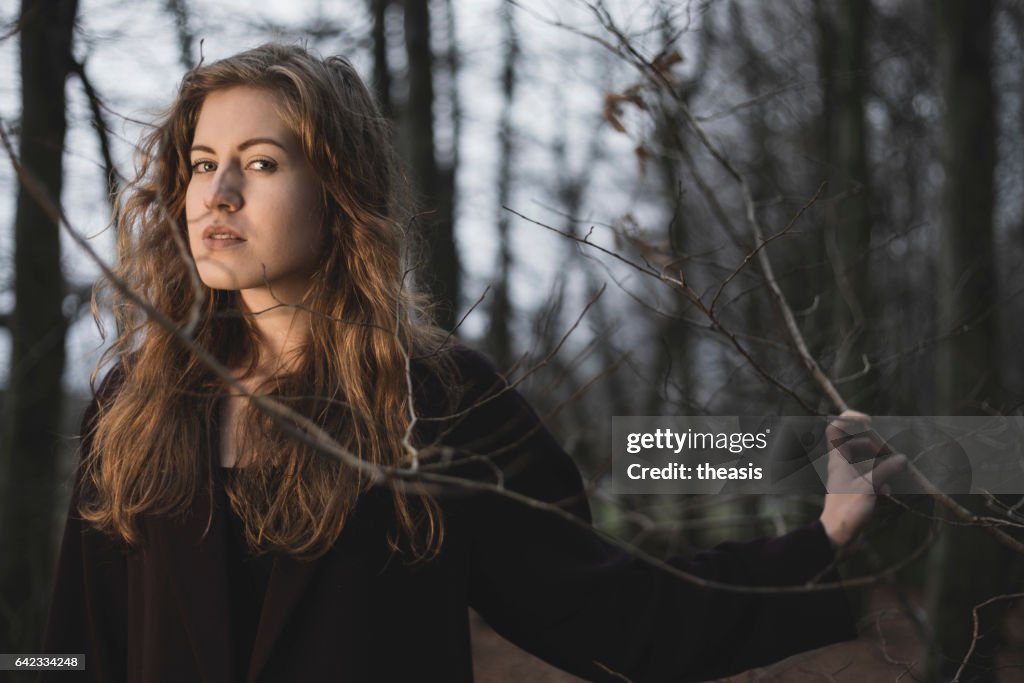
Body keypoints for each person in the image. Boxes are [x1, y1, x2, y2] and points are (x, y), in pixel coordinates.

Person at [41, 43, 895, 682]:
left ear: (338, 194)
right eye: (201, 166)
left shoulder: (434, 399)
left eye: (260, 163)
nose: (218, 194)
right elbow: (73, 648)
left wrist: (822, 540)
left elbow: (610, 610)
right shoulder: (134, 404)